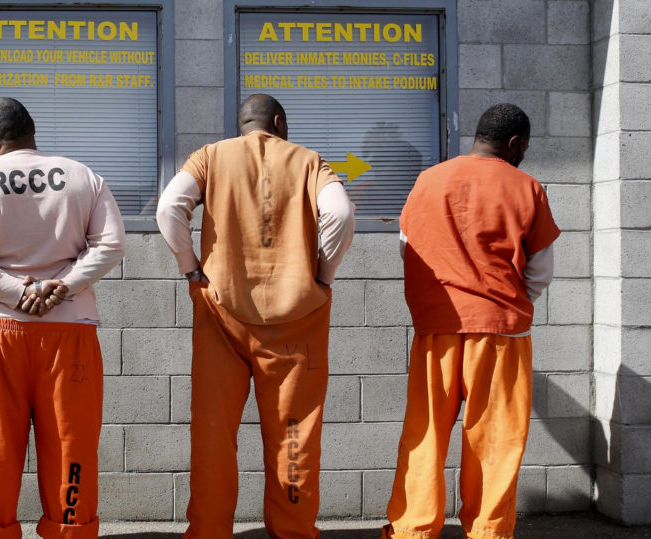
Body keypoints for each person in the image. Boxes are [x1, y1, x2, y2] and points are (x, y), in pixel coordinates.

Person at [157, 93, 355, 538]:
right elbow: (341, 213)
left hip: (220, 312)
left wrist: (191, 269)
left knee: (213, 434)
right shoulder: (309, 161)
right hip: (297, 318)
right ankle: (293, 531)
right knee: (294, 434)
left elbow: (169, 208)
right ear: (279, 122)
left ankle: (208, 532)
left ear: (242, 125)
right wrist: (322, 277)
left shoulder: (210, 157)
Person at [0, 97, 126, 539]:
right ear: (33, 131)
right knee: (70, 440)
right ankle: (71, 529)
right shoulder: (83, 177)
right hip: (69, 327)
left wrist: (17, 293)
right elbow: (111, 245)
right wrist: (65, 285)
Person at [382, 103, 560, 539]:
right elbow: (540, 270)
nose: (523, 156)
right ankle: (487, 531)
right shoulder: (527, 187)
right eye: (524, 148)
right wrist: (509, 302)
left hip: (435, 328)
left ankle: (412, 529)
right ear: (513, 144)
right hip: (500, 331)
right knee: (495, 439)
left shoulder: (428, 180)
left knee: (424, 433)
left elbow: (408, 248)